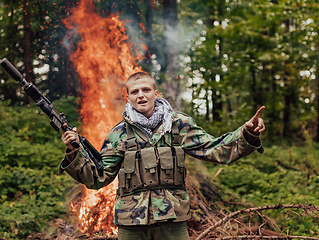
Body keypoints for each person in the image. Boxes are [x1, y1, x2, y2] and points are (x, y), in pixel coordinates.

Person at [60, 72, 265, 240]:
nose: (141, 95)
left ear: (155, 93)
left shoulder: (179, 124)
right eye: (135, 92)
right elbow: (98, 177)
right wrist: (73, 152)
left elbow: (215, 149)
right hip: (132, 223)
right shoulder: (118, 134)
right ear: (128, 98)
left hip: (172, 219)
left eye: (146, 90)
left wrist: (247, 133)